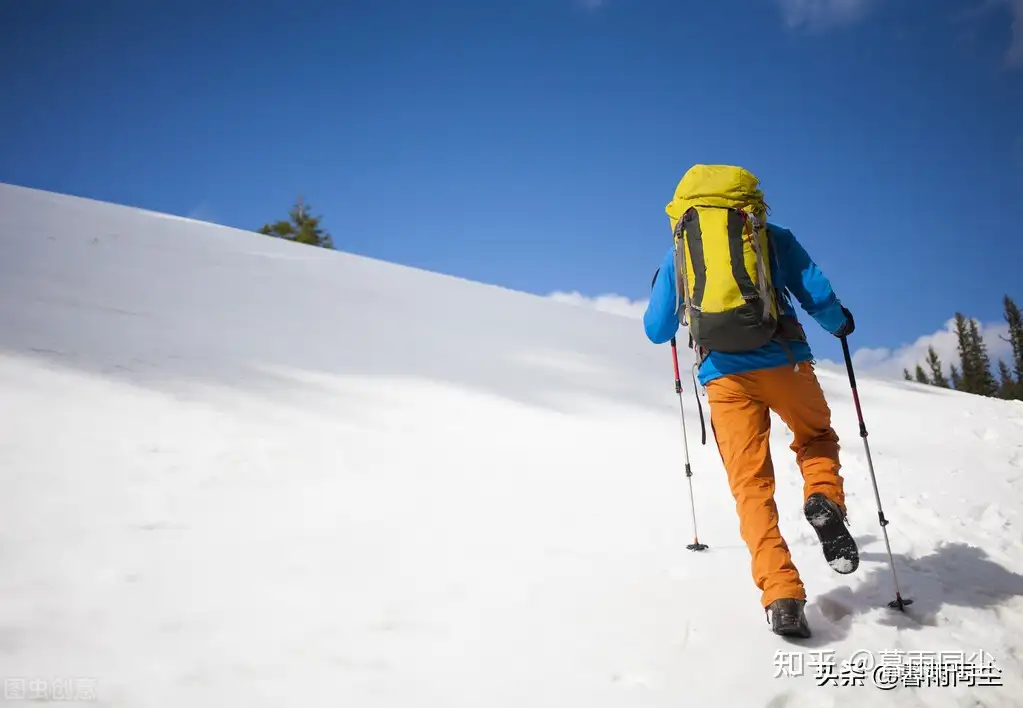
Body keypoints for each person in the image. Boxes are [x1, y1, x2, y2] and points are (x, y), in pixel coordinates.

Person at [643, 164, 857, 638]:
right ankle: (823, 498)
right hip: (785, 362)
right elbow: (815, 291)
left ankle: (782, 596)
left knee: (751, 487)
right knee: (816, 436)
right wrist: (840, 322)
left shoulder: (680, 252)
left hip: (724, 378)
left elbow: (657, 330)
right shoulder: (770, 235)